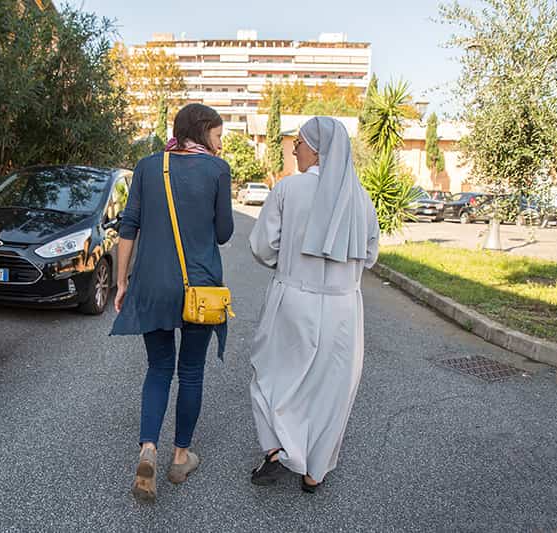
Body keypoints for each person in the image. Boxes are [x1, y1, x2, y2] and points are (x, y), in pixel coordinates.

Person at [248, 116, 380, 493]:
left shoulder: (288, 189)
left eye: (299, 144)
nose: (294, 150)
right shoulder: (362, 198)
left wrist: (289, 259)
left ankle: (279, 448)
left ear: (318, 149)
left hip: (293, 298)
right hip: (343, 309)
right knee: (332, 389)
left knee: (271, 376)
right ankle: (314, 471)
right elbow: (369, 255)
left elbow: (261, 246)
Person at [111, 103, 234, 503]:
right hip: (199, 289)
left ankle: (148, 448)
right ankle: (180, 457)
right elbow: (223, 233)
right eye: (217, 134)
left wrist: (121, 282)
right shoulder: (217, 170)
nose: (221, 141)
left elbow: (129, 225)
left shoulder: (148, 166)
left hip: (152, 284)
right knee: (192, 372)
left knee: (159, 368)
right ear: (201, 131)